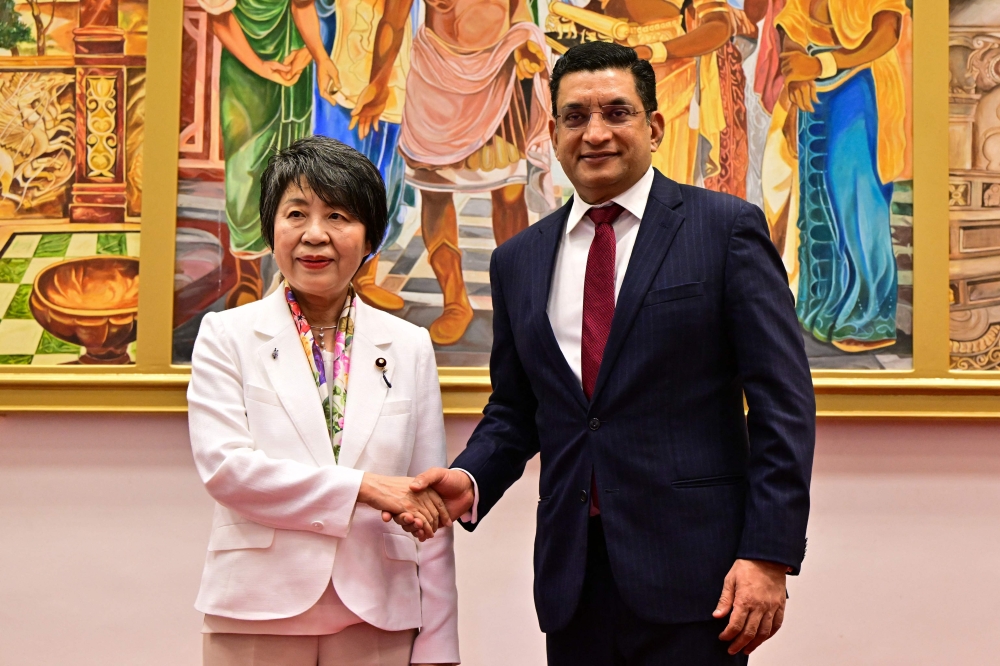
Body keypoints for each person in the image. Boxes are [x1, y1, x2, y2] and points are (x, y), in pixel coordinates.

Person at [393, 42, 815, 664]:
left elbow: (784, 406)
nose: (595, 133)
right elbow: (516, 410)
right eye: (575, 117)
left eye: (617, 113)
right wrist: (470, 477)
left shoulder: (725, 230)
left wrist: (768, 553)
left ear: (655, 126)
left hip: (700, 577)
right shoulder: (519, 260)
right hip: (574, 579)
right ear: (553, 131)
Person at [187, 136, 459, 666]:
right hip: (256, 609)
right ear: (271, 229)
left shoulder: (409, 346)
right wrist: (367, 489)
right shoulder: (226, 334)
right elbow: (227, 470)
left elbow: (430, 505)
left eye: (338, 215)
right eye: (296, 214)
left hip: (379, 613)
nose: (315, 235)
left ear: (370, 237)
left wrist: (439, 643)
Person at [356, 0, 556, 345]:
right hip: (436, 78)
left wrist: (525, 44)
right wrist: (378, 82)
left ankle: (517, 301)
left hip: (498, 74)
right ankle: (454, 302)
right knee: (435, 195)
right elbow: (392, 21)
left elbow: (518, 10)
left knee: (510, 194)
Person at [767, 0, 908, 352]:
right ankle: (824, 308)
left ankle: (868, 316)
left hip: (861, 84)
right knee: (818, 198)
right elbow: (792, 33)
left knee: (857, 196)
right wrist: (799, 74)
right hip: (814, 91)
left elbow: (887, 33)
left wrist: (821, 64)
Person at [201, 0, 339, 308]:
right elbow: (220, 19)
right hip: (245, 67)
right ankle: (248, 275)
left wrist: (313, 55)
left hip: (294, 59)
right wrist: (260, 66)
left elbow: (304, 6)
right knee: (246, 169)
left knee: (297, 169)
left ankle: (294, 274)